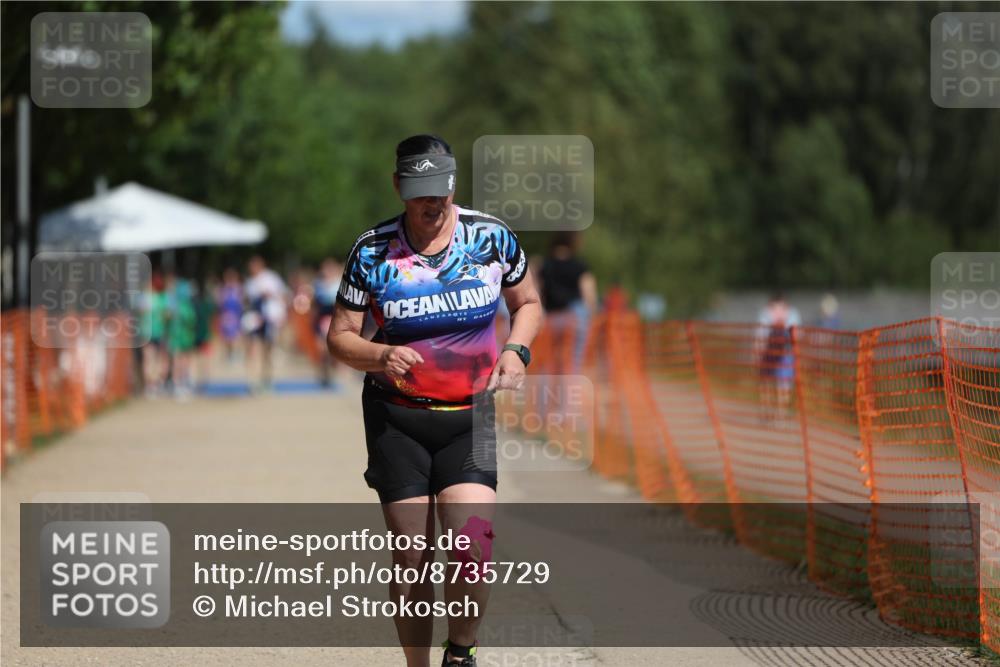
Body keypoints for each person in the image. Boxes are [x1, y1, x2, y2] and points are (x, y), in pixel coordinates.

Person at [327, 134, 543, 667]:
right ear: (399, 187)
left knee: (472, 552)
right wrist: (379, 358)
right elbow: (339, 336)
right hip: (397, 421)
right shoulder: (372, 250)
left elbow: (529, 302)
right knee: (413, 559)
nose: (432, 204)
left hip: (470, 417)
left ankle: (461, 653)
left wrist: (516, 351)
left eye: (441, 192)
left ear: (454, 185)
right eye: (420, 192)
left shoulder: (490, 238)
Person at [537, 231, 597, 374]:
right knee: (572, 362)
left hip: (550, 319)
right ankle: (568, 394)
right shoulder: (579, 265)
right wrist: (592, 315)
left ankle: (547, 395)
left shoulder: (544, 265)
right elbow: (588, 294)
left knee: (548, 361)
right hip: (574, 318)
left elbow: (537, 294)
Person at [243, 256, 289, 391]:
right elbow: (247, 301)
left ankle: (267, 380)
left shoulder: (271, 278)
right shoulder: (250, 282)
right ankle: (254, 380)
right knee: (253, 349)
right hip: (255, 319)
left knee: (267, 350)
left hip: (269, 319)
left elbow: (283, 295)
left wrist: (280, 314)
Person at [756, 292, 802, 422]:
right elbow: (760, 334)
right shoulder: (766, 313)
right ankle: (769, 413)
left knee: (781, 384)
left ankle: (778, 414)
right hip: (769, 352)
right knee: (770, 384)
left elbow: (797, 335)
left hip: (784, 353)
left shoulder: (791, 314)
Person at [313, 257, 343, 387]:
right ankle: (324, 374)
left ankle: (332, 371)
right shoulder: (318, 284)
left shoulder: (339, 284)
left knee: (332, 348)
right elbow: (314, 303)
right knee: (322, 348)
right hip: (321, 318)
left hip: (334, 318)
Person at [216, 268, 244, 362]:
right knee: (227, 336)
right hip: (226, 315)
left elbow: (240, 303)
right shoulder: (223, 289)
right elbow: (220, 303)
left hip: (235, 315)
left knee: (235, 335)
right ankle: (229, 354)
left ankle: (235, 353)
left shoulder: (238, 289)